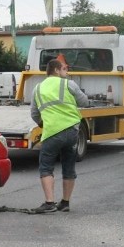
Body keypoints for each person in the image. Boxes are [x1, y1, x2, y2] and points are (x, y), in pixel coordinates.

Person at [29, 58, 89, 213]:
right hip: (72, 131)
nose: (66, 72)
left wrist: (43, 124)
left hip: (52, 132)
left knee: (46, 166)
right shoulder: (69, 84)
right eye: (64, 69)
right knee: (69, 166)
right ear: (56, 70)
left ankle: (49, 203)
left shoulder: (38, 88)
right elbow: (85, 102)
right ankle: (65, 202)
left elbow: (34, 113)